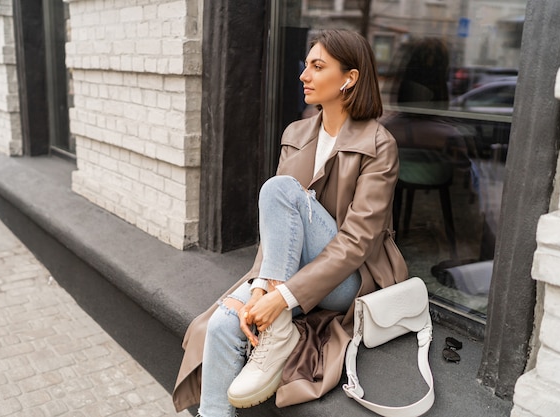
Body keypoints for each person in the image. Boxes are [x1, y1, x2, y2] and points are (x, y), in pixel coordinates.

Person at [173, 29, 408, 417]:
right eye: (307, 65)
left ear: (349, 78)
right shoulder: (296, 134)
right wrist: (261, 286)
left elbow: (357, 241)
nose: (304, 75)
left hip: (351, 278)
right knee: (221, 325)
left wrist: (280, 297)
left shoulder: (379, 144)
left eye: (318, 66)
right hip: (290, 274)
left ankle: (279, 325)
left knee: (279, 189)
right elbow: (277, 228)